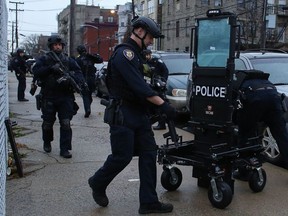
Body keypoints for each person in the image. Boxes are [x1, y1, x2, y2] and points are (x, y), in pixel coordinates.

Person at [88, 16, 176, 214]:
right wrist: (164, 105)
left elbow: (150, 80)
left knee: (148, 154)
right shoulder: (124, 54)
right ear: (140, 32)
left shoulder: (138, 55)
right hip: (123, 114)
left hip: (140, 114)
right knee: (122, 157)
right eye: (151, 36)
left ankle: (148, 202)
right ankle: (97, 182)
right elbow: (139, 87)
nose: (153, 41)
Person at [33, 35, 86, 158]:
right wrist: (50, 69)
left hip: (65, 96)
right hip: (49, 96)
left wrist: (72, 79)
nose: (57, 46)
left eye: (59, 45)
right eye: (55, 45)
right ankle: (47, 141)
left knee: (66, 123)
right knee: (47, 123)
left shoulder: (68, 60)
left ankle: (65, 149)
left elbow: (79, 74)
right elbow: (36, 71)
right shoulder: (45, 59)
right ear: (51, 46)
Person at [234, 70, 288, 176]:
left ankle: (243, 171)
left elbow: (234, 103)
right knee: (282, 136)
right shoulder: (265, 82)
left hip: (255, 101)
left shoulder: (240, 82)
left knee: (245, 134)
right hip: (274, 100)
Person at [143, 49, 169, 130]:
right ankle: (148, 123)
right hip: (148, 86)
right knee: (149, 107)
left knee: (159, 106)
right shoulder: (144, 62)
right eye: (145, 55)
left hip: (158, 88)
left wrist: (163, 81)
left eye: (148, 55)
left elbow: (165, 71)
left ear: (150, 54)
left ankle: (162, 124)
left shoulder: (157, 61)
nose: (147, 57)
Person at [76, 45, 103, 118]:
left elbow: (100, 60)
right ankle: (87, 108)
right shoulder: (82, 59)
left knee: (86, 96)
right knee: (88, 95)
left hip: (86, 79)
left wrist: (92, 56)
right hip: (89, 80)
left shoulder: (80, 59)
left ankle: (87, 109)